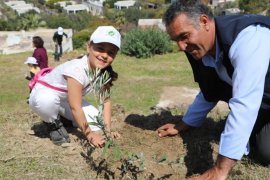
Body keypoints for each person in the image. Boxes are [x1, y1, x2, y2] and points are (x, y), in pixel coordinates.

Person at [157, 0, 270, 179]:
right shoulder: (201, 49)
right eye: (176, 40)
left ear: (204, 22)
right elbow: (210, 89)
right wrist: (185, 123)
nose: (181, 47)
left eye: (184, 36)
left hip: (258, 101)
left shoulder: (248, 37)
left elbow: (245, 104)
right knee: (265, 149)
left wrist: (219, 170)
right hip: (264, 103)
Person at [29, 26, 121, 147]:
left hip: (65, 99)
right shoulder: (77, 69)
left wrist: (107, 131)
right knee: (46, 101)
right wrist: (90, 135)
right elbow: (75, 106)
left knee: (97, 123)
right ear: (89, 47)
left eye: (111, 52)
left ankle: (64, 119)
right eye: (100, 48)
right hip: (43, 94)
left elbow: (106, 102)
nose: (105, 55)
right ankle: (52, 123)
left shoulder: (103, 71)